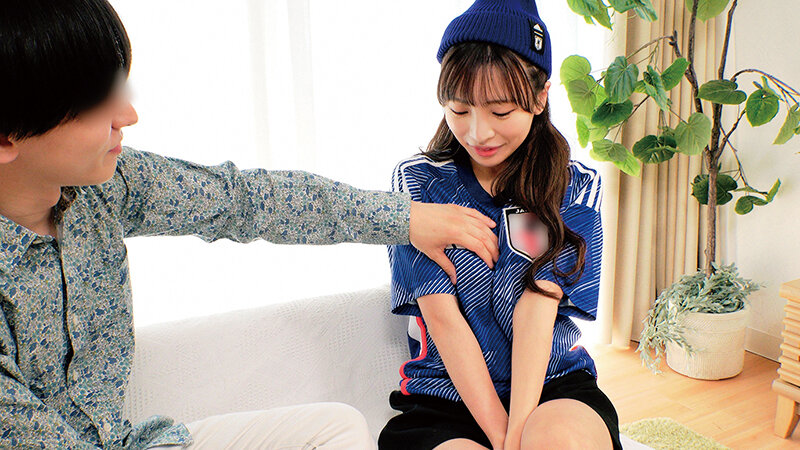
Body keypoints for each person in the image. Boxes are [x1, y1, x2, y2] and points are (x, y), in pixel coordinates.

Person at [0, 0, 501, 448]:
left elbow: (245, 200)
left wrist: (405, 218)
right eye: (95, 103)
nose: (127, 115)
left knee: (335, 429)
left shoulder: (106, 189)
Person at [379, 0, 622, 449]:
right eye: (459, 110)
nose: (478, 133)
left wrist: (519, 435)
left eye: (501, 112)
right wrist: (499, 436)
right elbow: (443, 320)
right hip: (444, 398)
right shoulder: (418, 182)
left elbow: (536, 309)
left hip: (552, 385)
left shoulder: (575, 186)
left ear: (540, 96)